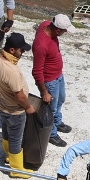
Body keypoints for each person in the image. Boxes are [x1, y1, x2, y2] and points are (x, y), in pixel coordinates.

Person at [0, 33, 35, 179]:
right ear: (11, 50)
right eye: (21, 50)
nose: (22, 53)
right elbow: (20, 96)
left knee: (6, 130)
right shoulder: (11, 71)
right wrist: (28, 107)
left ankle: (8, 155)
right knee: (16, 138)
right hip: (14, 110)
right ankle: (16, 169)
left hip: (0, 103)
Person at [31, 14, 75, 147]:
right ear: (57, 30)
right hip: (50, 81)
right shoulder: (41, 45)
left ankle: (57, 122)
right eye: (64, 31)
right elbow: (37, 71)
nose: (65, 32)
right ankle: (51, 134)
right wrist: (44, 92)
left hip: (58, 76)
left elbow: (41, 23)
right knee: (50, 109)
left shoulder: (45, 24)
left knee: (60, 100)